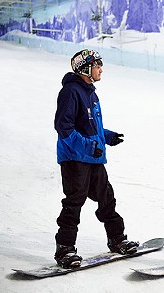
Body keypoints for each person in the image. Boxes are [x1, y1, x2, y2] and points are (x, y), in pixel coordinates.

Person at [53, 49, 138, 269]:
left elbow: (90, 126)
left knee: (106, 198)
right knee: (74, 202)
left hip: (93, 159)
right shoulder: (70, 91)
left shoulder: (90, 92)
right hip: (75, 159)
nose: (101, 69)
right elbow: (64, 128)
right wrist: (90, 147)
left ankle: (117, 239)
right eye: (97, 65)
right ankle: (65, 248)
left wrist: (106, 137)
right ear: (85, 68)